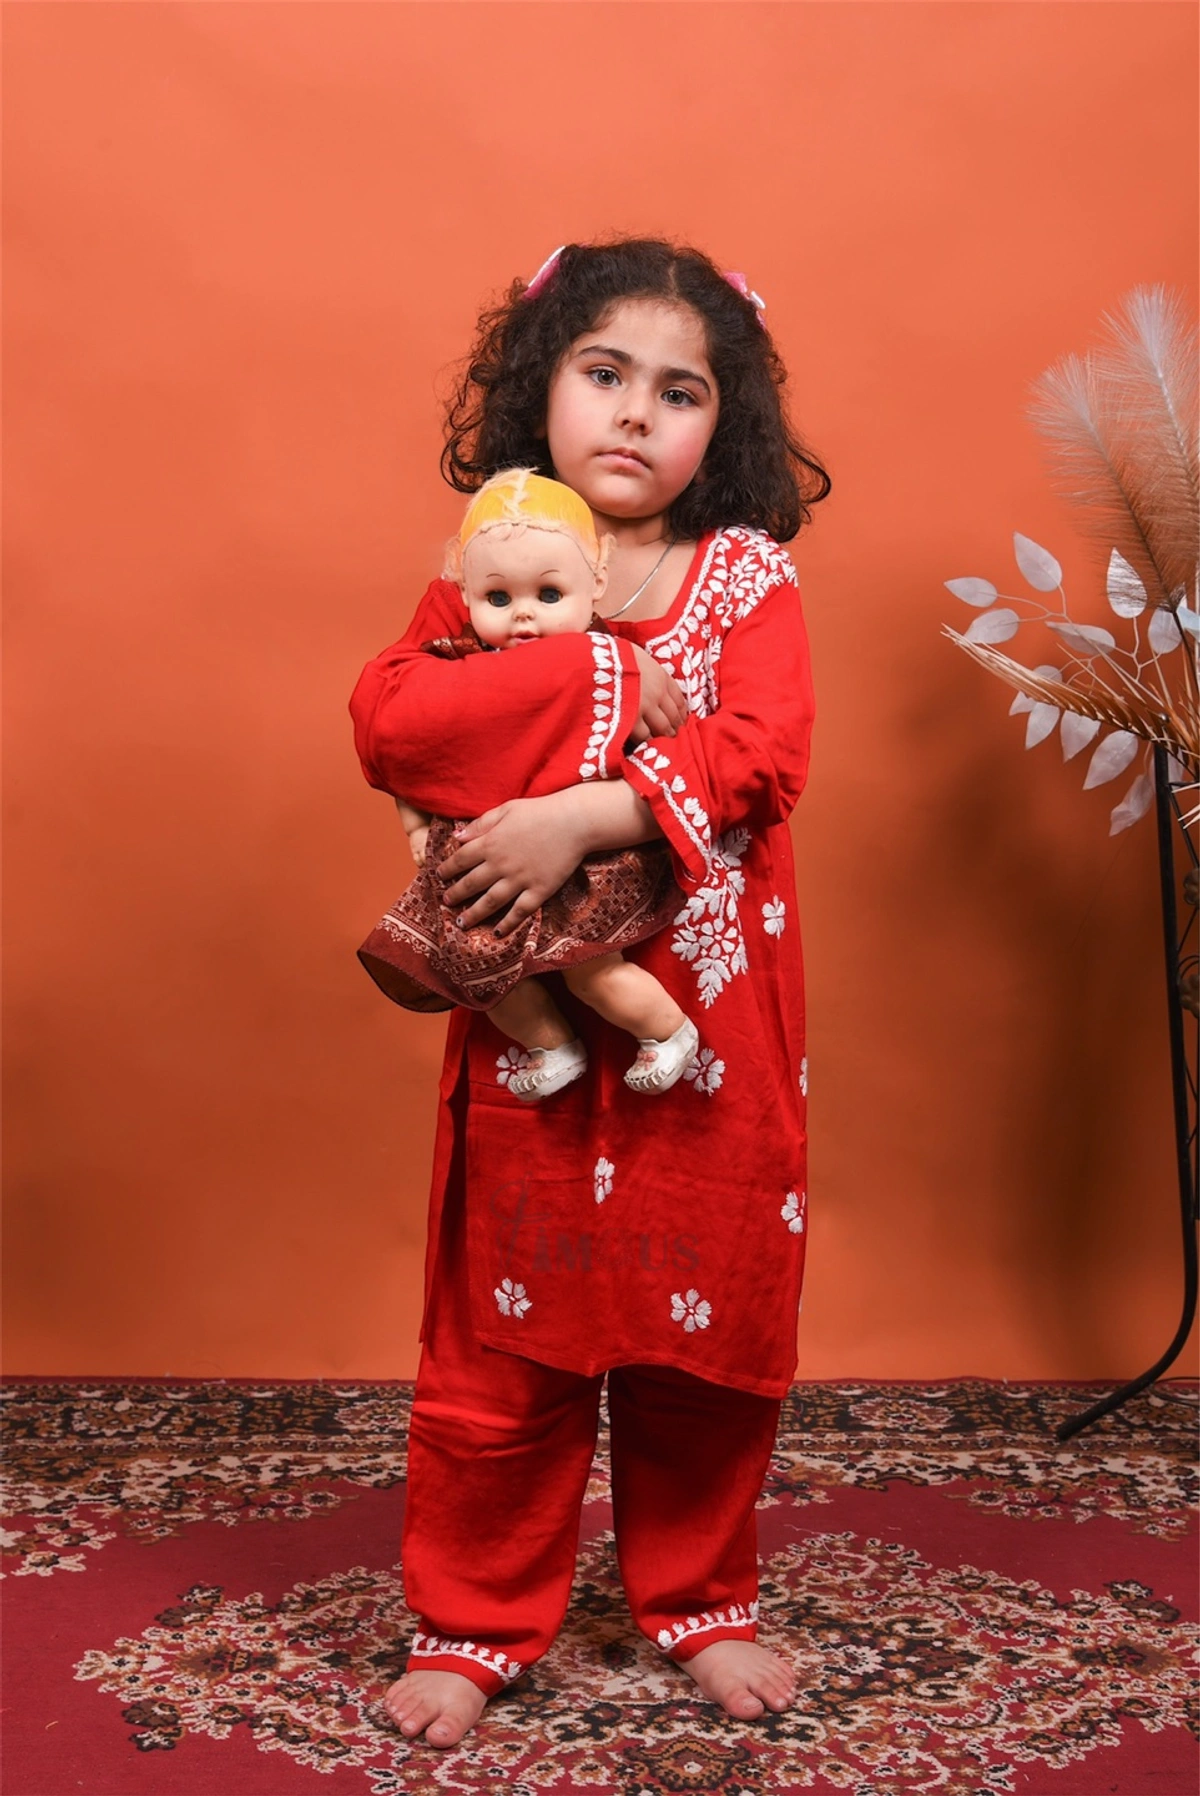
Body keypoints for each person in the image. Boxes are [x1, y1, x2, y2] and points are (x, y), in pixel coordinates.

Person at [349, 237, 830, 1749]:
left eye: (680, 391)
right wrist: (596, 683)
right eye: (603, 373)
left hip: (706, 1017)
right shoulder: (490, 560)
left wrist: (579, 815)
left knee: (708, 1317)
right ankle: (477, 1617)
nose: (635, 413)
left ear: (724, 425)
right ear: (538, 388)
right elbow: (392, 721)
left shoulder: (744, 577)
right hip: (535, 1032)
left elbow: (765, 751)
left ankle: (704, 1598)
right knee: (505, 1329)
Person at [358, 466, 699, 1100]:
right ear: (464, 591)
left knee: (593, 973)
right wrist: (414, 826)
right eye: (498, 599)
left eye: (549, 594)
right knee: (476, 972)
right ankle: (551, 1046)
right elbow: (420, 756)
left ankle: (669, 1032)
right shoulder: (458, 665)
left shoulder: (611, 665)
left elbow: (659, 758)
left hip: (585, 867)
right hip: (486, 864)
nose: (524, 616)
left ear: (595, 583)